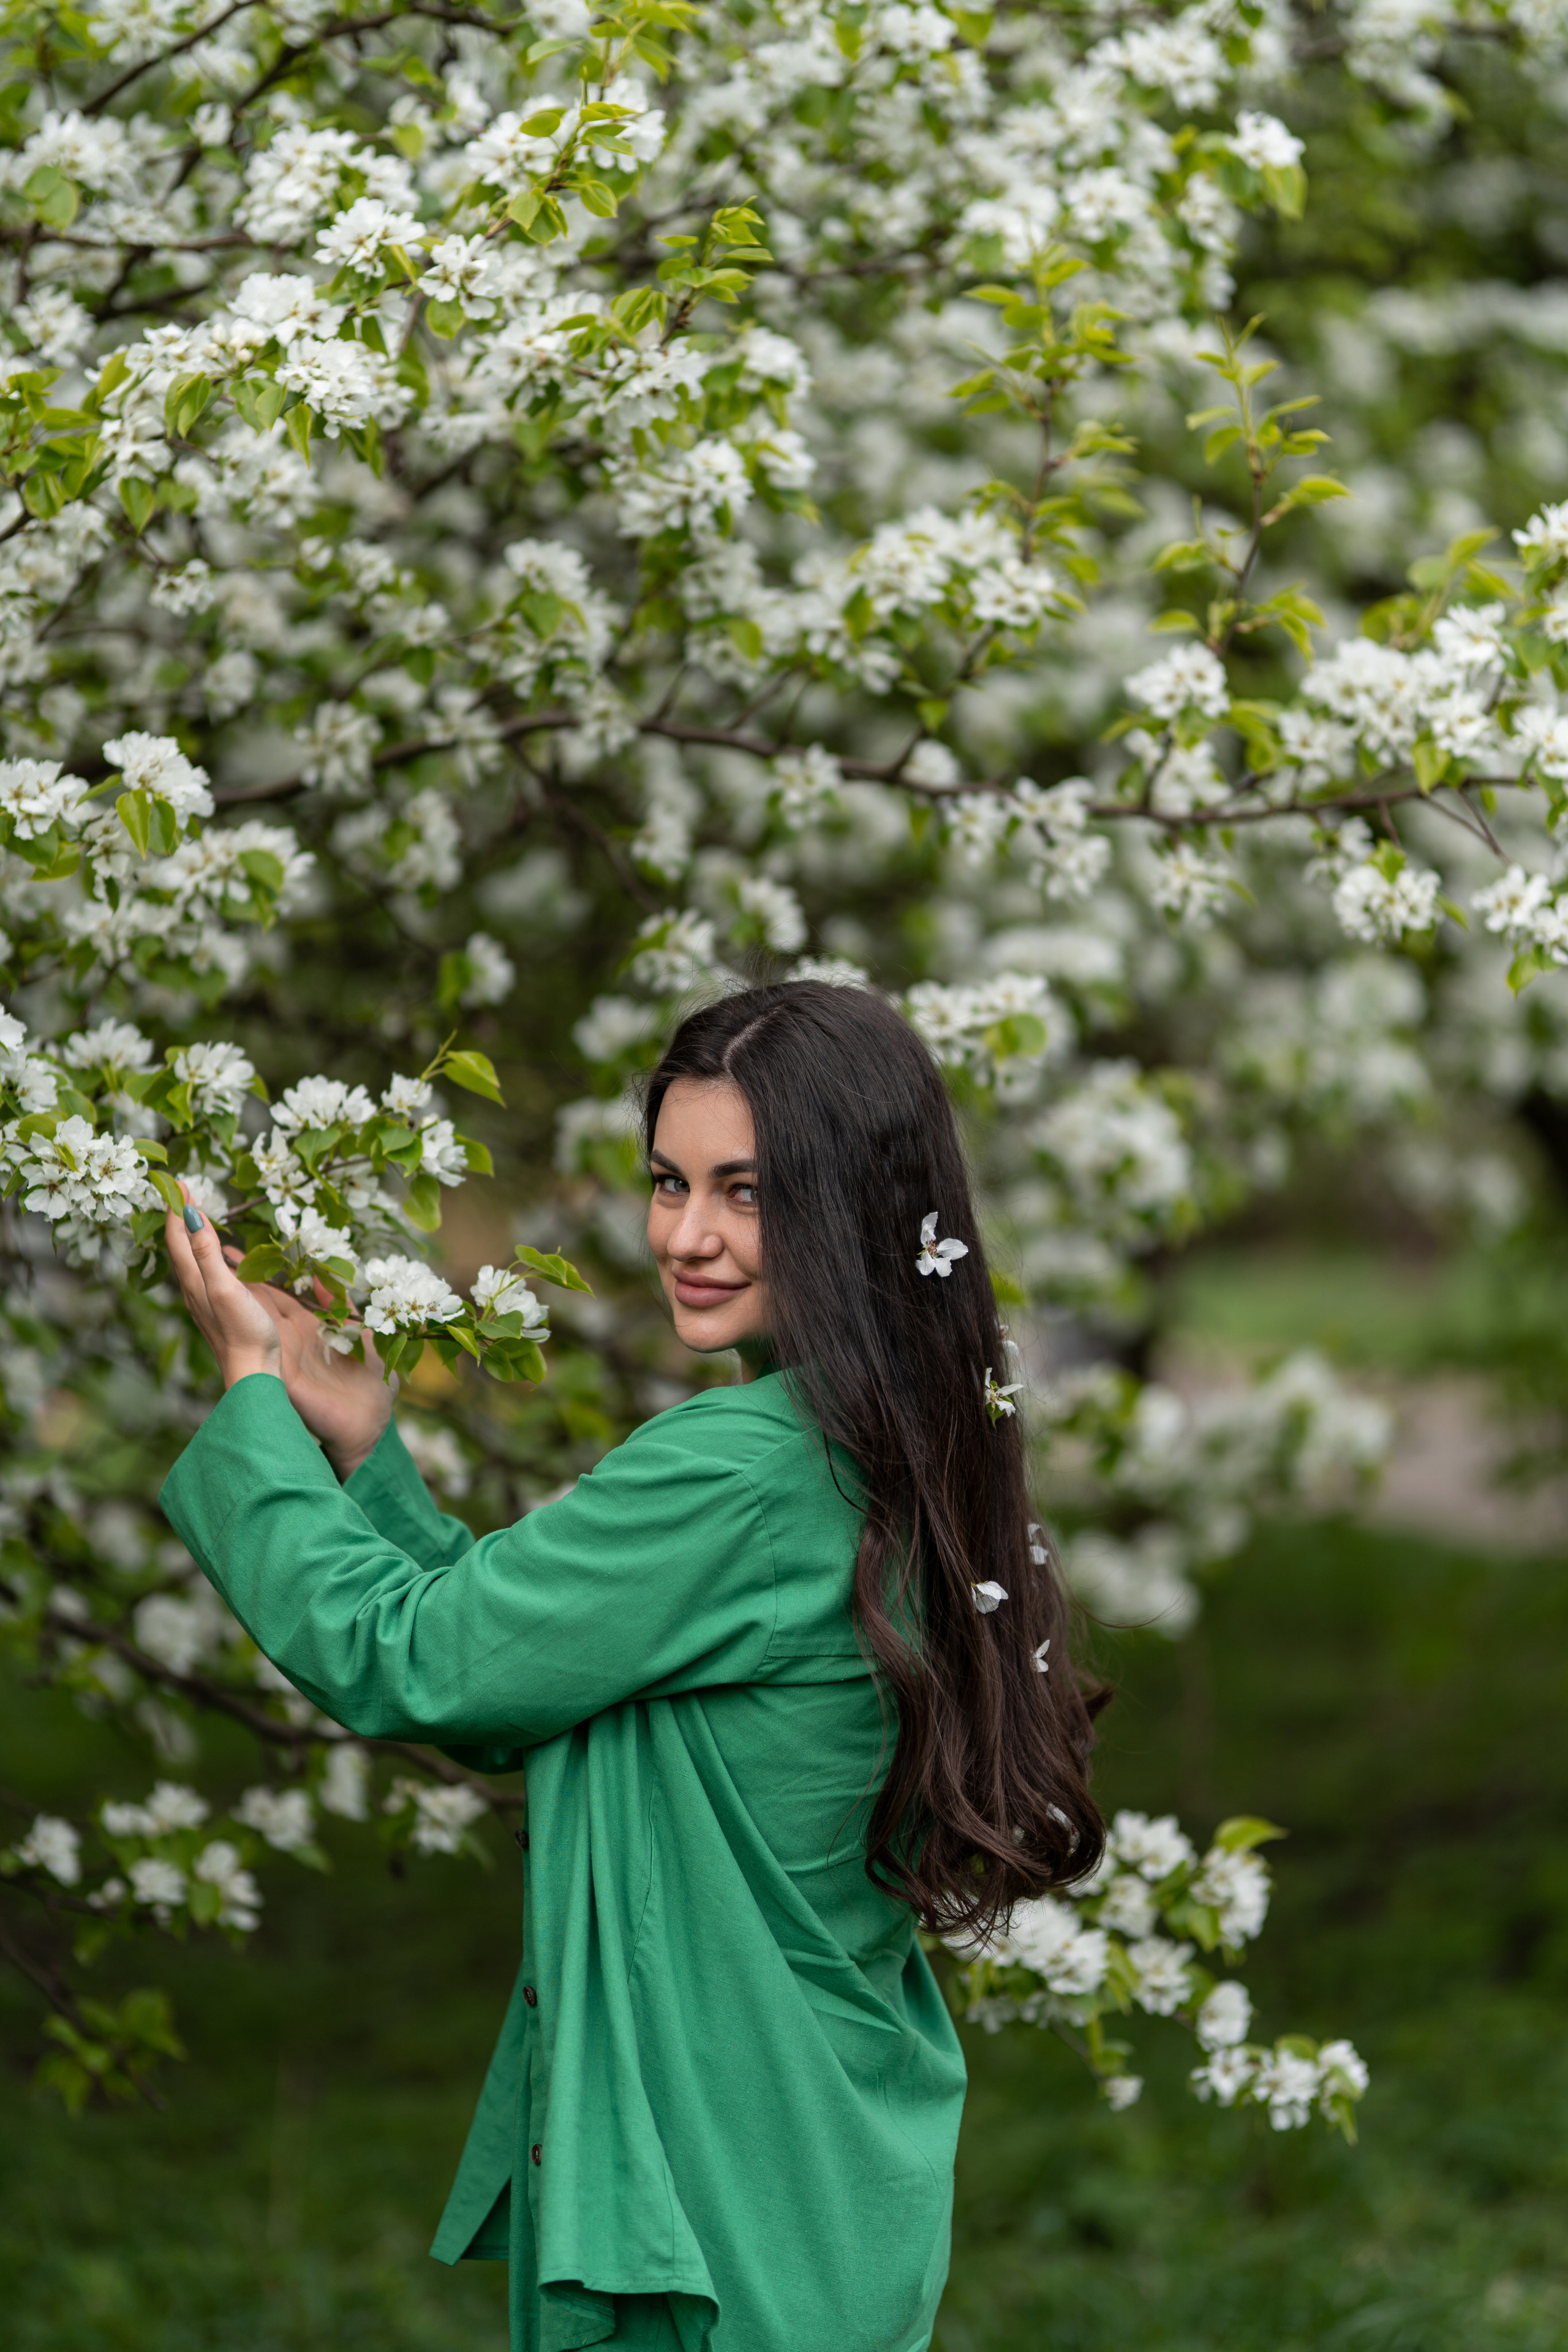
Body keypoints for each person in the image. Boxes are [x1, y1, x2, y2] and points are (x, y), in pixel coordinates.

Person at [159, 978, 1104, 2352]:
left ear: (849, 1206)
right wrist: (366, 1451)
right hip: (820, 2189)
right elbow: (527, 1672)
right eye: (669, 1182)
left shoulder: (738, 1473)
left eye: (748, 1192)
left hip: (709, 2211)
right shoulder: (903, 1440)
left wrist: (251, 1399)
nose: (692, 1236)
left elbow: (415, 1662)